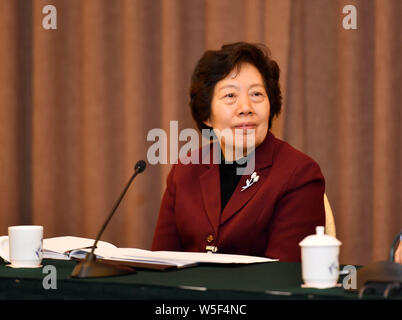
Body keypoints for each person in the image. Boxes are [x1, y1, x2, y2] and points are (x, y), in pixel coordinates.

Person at [152, 42, 325, 262]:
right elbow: (160, 266)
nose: (246, 107)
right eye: (230, 96)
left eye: (256, 94)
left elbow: (283, 279)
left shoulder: (299, 174)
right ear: (207, 115)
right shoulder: (184, 171)